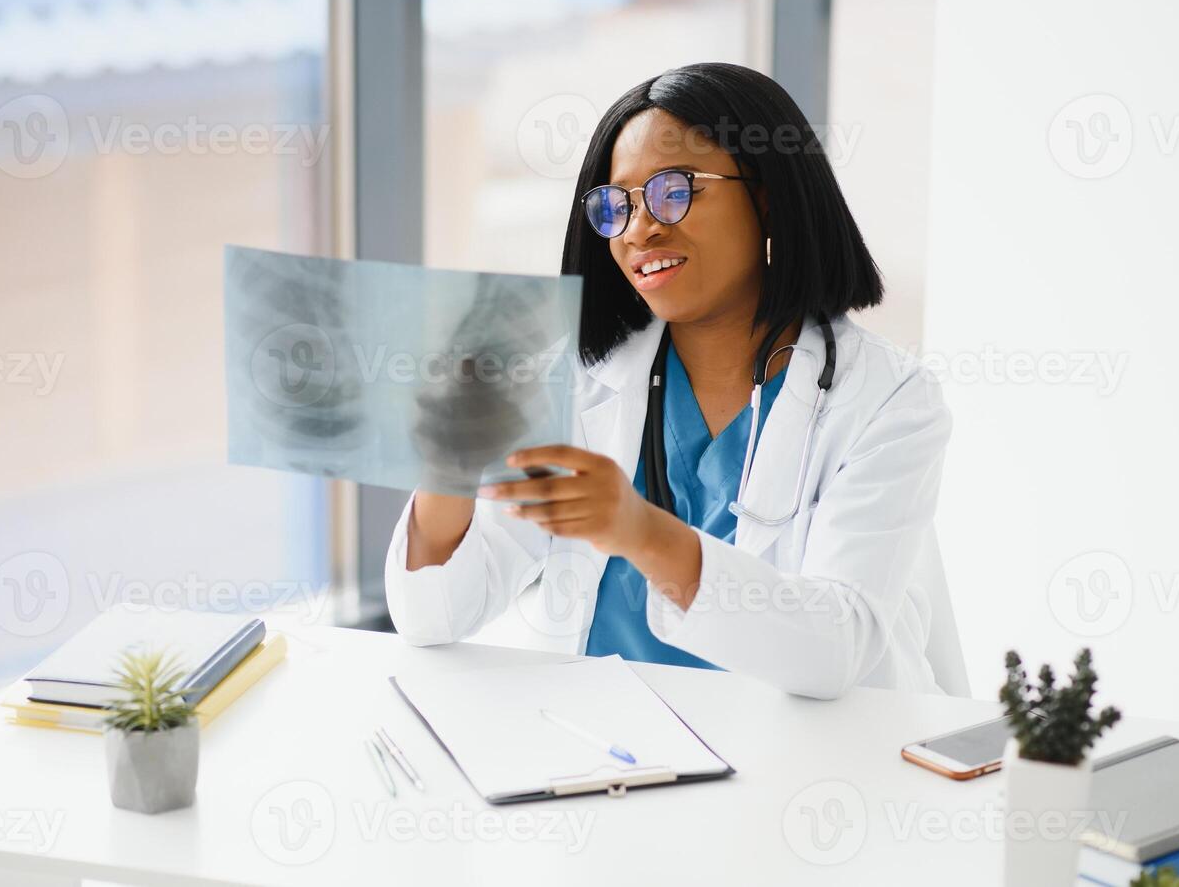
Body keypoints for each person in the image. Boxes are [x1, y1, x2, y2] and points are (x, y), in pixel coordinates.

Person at [385, 62, 951, 699]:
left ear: (766, 193)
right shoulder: (568, 380)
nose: (640, 228)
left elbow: (835, 651)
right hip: (607, 746)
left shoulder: (889, 398)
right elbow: (430, 617)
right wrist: (448, 467)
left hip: (803, 762)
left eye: (674, 191)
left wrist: (640, 530)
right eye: (616, 205)